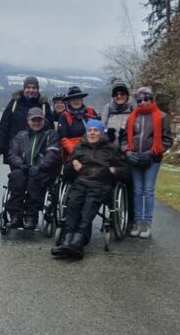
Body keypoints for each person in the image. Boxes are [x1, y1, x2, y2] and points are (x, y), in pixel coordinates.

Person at [51, 120, 129, 259]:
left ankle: (79, 240)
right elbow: (67, 174)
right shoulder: (80, 147)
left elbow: (126, 171)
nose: (92, 133)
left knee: (90, 203)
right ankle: (67, 238)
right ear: (86, 133)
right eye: (89, 130)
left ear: (101, 132)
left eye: (96, 130)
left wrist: (114, 170)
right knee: (73, 202)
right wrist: (72, 164)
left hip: (100, 183)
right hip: (81, 181)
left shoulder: (112, 149)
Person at [122, 86, 173, 239]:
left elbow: (167, 139)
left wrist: (153, 152)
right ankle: (138, 221)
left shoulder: (161, 116)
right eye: (140, 100)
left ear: (151, 99)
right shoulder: (132, 117)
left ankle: (147, 223)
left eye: (146, 99)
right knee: (137, 191)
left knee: (148, 190)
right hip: (135, 159)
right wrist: (127, 151)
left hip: (152, 160)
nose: (143, 102)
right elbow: (124, 138)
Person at [5, 107, 62, 229]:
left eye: (39, 120)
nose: (36, 123)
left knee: (34, 181)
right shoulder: (21, 135)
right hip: (23, 169)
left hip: (43, 171)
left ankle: (31, 216)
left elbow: (52, 154)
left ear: (44, 120)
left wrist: (40, 166)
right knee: (16, 178)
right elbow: (12, 154)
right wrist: (21, 164)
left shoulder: (51, 134)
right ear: (28, 120)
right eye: (33, 120)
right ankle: (16, 215)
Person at [0, 76, 54, 164]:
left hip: (37, 146)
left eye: (34, 88)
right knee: (17, 175)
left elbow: (50, 126)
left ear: (38, 89)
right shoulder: (15, 102)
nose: (31, 90)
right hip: (16, 147)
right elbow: (4, 124)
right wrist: (0, 144)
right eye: (28, 87)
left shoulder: (43, 104)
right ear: (24, 89)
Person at [58, 85, 99, 157]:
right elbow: (63, 139)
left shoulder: (90, 111)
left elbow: (100, 130)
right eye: (73, 99)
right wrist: (75, 152)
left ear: (82, 99)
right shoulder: (64, 116)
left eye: (78, 98)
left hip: (94, 150)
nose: (76, 100)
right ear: (69, 101)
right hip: (75, 153)